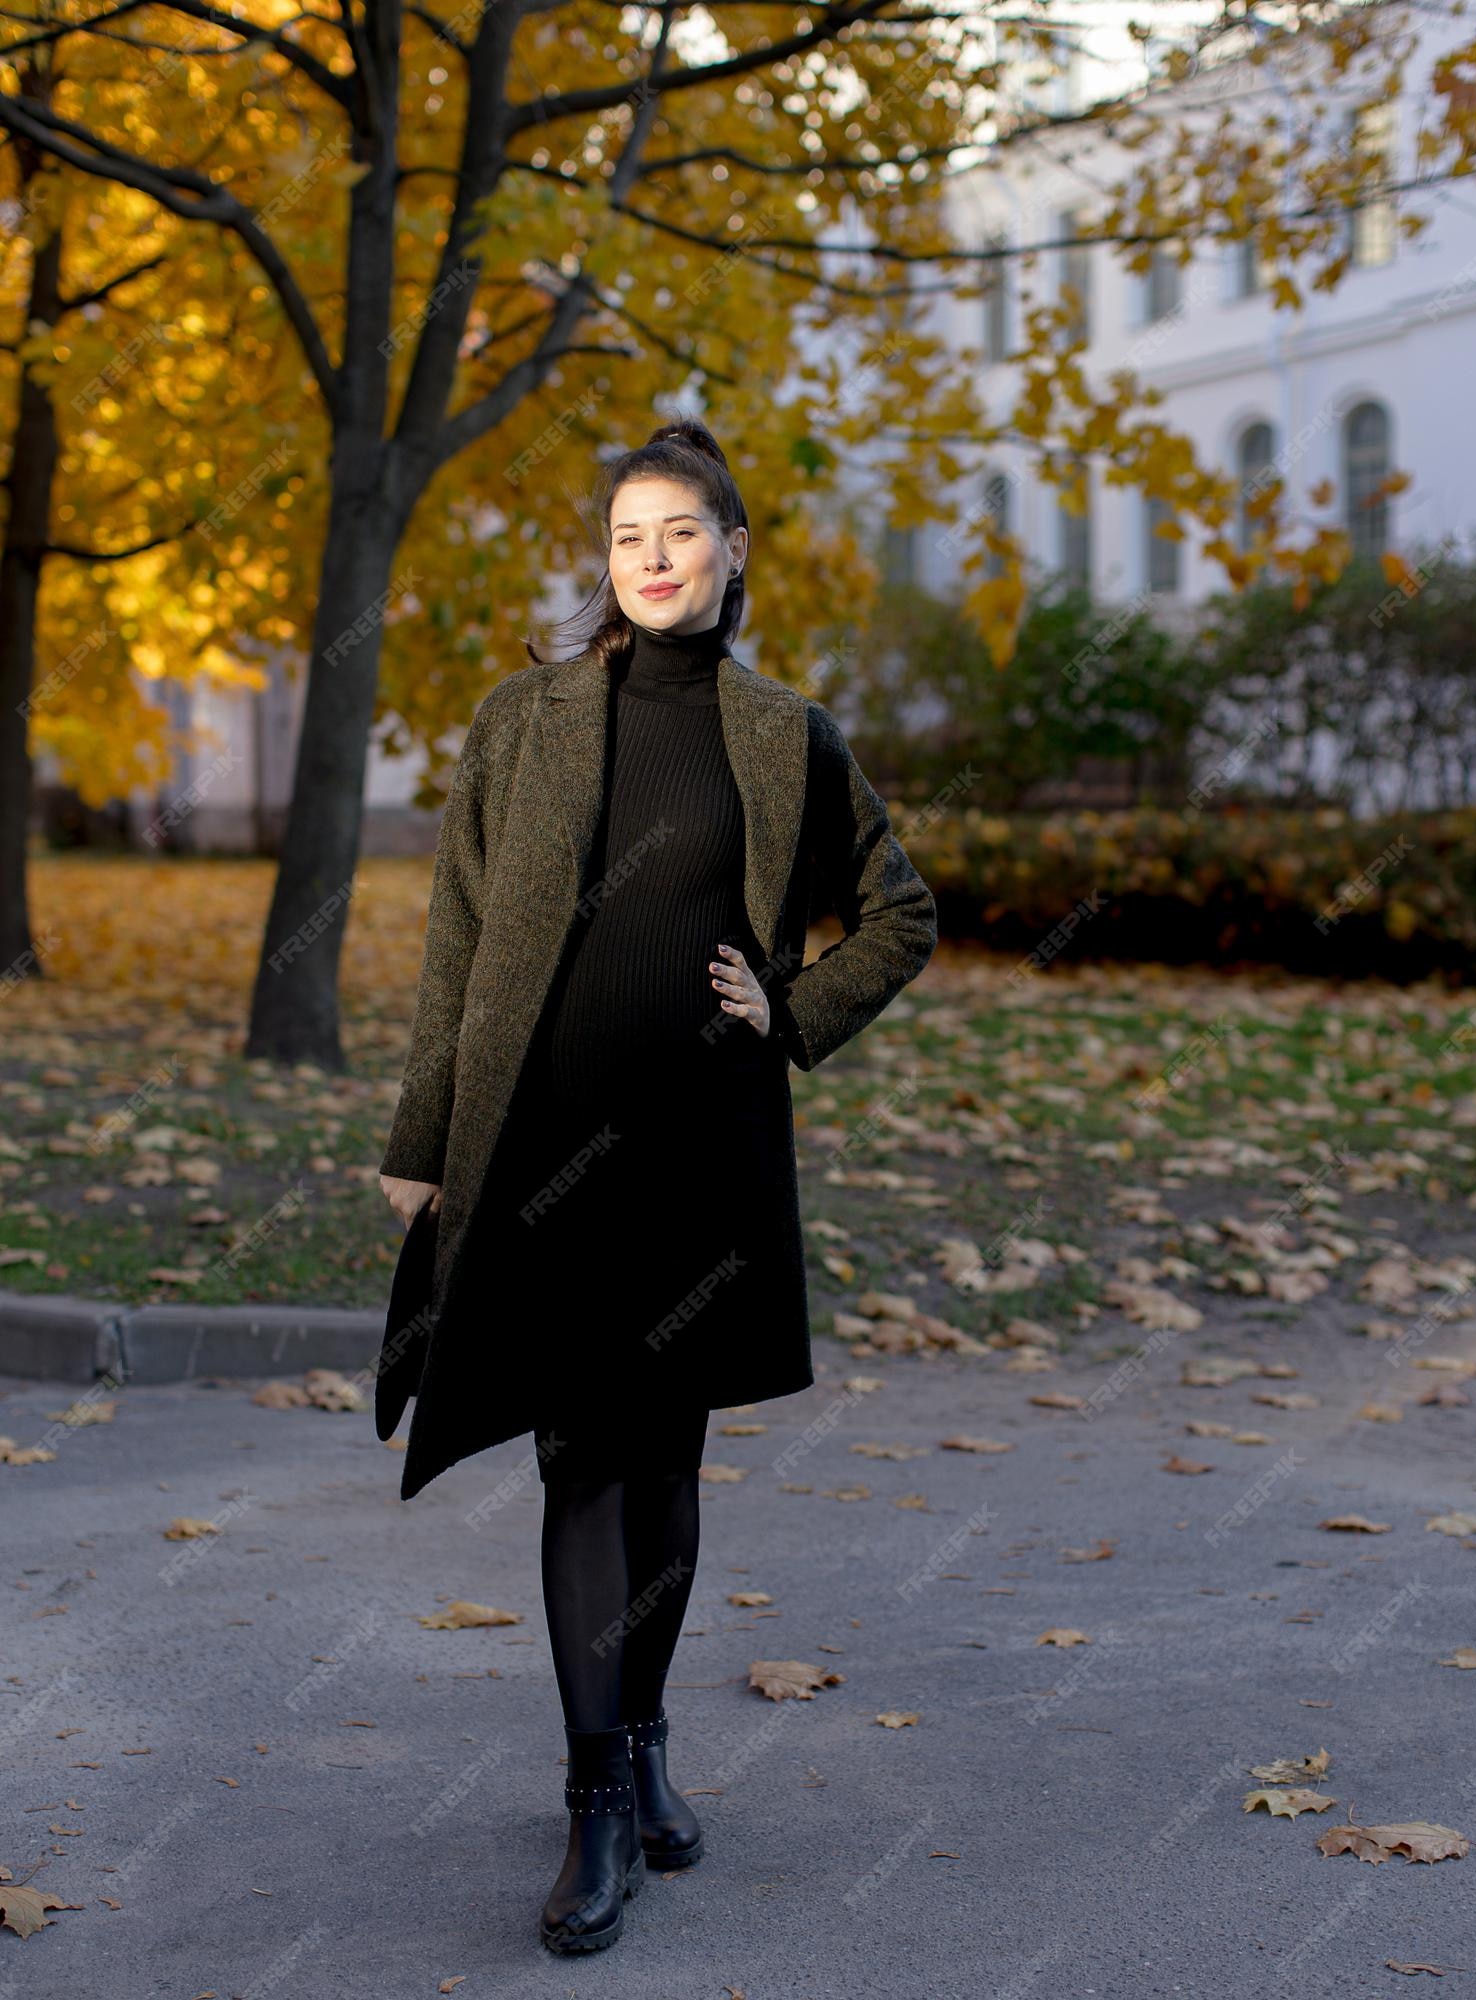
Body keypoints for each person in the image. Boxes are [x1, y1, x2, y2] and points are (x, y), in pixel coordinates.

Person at [378, 412, 938, 1955]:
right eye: (627, 539)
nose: (650, 562)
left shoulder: (788, 735)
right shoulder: (525, 718)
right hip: (548, 1144)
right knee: (582, 1464)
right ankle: (592, 1805)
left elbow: (903, 915)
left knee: (670, 1468)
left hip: (703, 1152)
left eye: (678, 534)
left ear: (731, 552)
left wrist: (792, 1007)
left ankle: (643, 1742)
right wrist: (423, 1143)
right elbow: (456, 946)